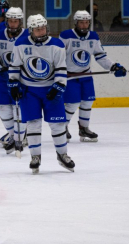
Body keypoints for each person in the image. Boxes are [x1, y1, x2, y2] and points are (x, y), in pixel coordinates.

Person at [8, 14, 74, 174]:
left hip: (50, 88)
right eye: (37, 29)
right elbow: (15, 65)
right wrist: (13, 83)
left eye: (43, 28)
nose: (41, 31)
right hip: (29, 90)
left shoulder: (57, 45)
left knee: (58, 124)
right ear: (31, 30)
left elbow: (61, 68)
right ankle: (35, 156)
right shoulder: (21, 43)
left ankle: (62, 154)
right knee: (33, 123)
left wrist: (58, 86)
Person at [60, 10, 126, 142]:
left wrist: (113, 66)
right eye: (81, 23)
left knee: (88, 101)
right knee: (72, 103)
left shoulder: (93, 36)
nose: (84, 25)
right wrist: (58, 71)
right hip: (70, 76)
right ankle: (61, 128)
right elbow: (58, 55)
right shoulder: (66, 35)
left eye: (86, 22)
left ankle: (83, 129)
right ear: (76, 23)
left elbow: (100, 55)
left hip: (86, 75)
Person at [0, 7, 28, 153]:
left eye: (16, 21)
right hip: (3, 76)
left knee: (21, 109)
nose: (13, 24)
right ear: (7, 21)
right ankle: (15, 136)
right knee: (3, 109)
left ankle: (18, 138)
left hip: (23, 77)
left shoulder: (28, 35)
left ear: (20, 21)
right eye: (10, 21)